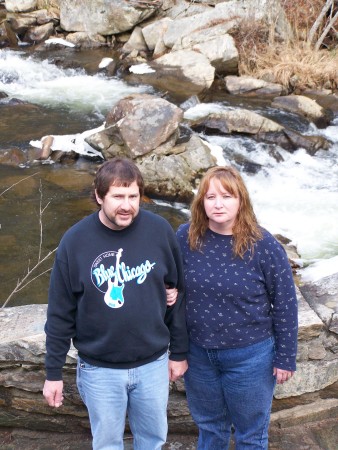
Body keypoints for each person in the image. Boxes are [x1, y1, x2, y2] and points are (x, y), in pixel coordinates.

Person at [43, 157, 188, 450]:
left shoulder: (160, 231)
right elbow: (60, 313)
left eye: (133, 196)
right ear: (99, 196)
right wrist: (53, 373)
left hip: (153, 364)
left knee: (153, 441)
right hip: (100, 370)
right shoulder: (75, 242)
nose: (127, 205)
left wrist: (179, 352)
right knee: (107, 444)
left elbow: (177, 291)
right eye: (118, 196)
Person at [176, 165, 298, 450]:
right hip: (199, 356)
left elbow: (285, 303)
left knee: (251, 436)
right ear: (201, 203)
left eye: (227, 196)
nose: (218, 204)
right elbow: (170, 284)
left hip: (250, 358)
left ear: (240, 200)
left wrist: (286, 356)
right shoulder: (185, 237)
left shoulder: (263, 245)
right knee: (210, 429)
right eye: (210, 197)